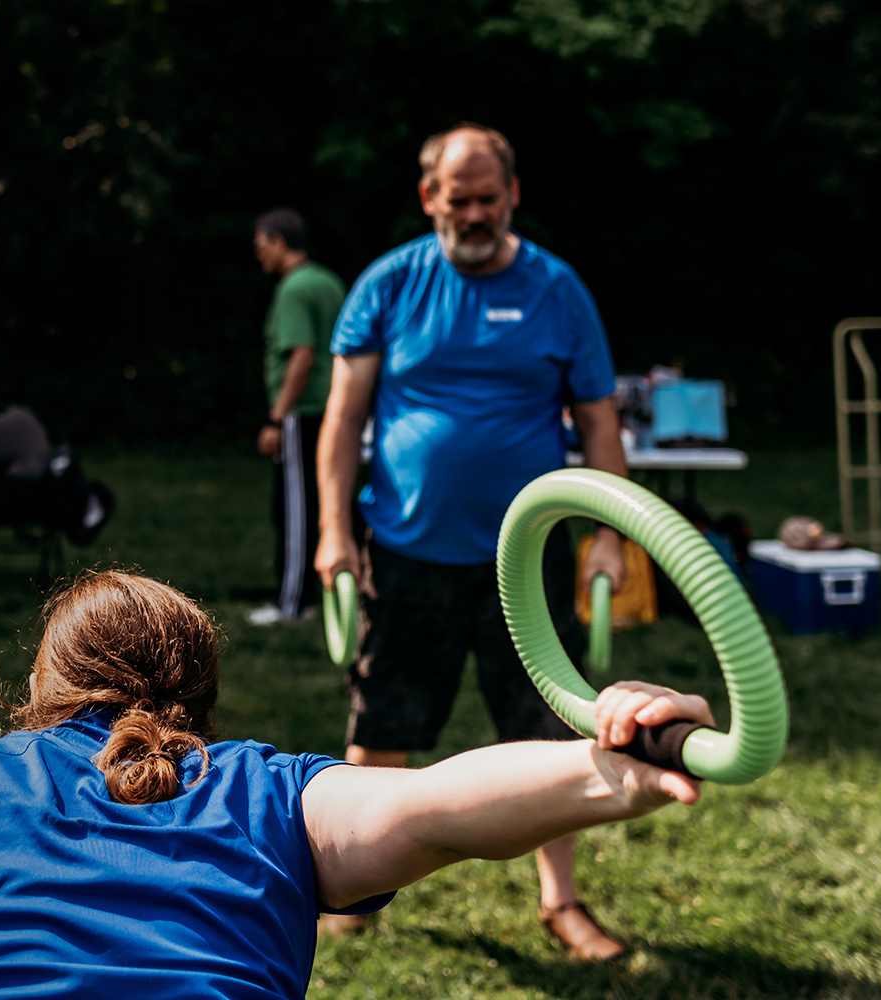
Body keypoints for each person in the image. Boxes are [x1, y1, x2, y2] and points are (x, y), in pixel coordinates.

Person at [0, 571, 714, 997]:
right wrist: (613, 760)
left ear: (40, 686)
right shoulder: (275, 790)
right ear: (197, 693)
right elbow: (439, 802)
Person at [314, 123, 634, 957]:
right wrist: (332, 531)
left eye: (490, 198)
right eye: (460, 200)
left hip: (525, 560)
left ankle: (560, 901)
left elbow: (600, 423)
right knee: (383, 718)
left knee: (554, 730)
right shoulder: (388, 284)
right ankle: (352, 883)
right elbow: (344, 420)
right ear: (430, 199)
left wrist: (609, 538)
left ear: (513, 194)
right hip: (407, 546)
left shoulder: (557, 289)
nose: (477, 213)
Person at [248, 209, 346, 626]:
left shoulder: (294, 289)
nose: (259, 255)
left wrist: (276, 417)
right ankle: (337, 593)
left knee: (294, 509)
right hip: (336, 409)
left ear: (278, 241)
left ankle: (293, 603)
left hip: (302, 413)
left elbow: (302, 356)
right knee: (331, 503)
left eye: (261, 245)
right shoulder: (329, 282)